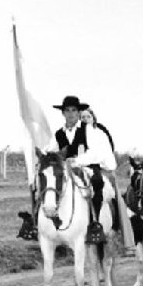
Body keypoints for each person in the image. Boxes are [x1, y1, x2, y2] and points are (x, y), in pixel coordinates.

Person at [47, 96, 117, 243]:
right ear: (63, 113)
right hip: (66, 169)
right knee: (48, 183)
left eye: (74, 110)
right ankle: (46, 222)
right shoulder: (59, 133)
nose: (71, 113)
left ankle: (95, 223)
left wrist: (77, 161)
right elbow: (50, 149)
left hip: (88, 167)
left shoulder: (88, 129)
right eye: (67, 110)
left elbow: (95, 152)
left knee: (97, 182)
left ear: (78, 112)